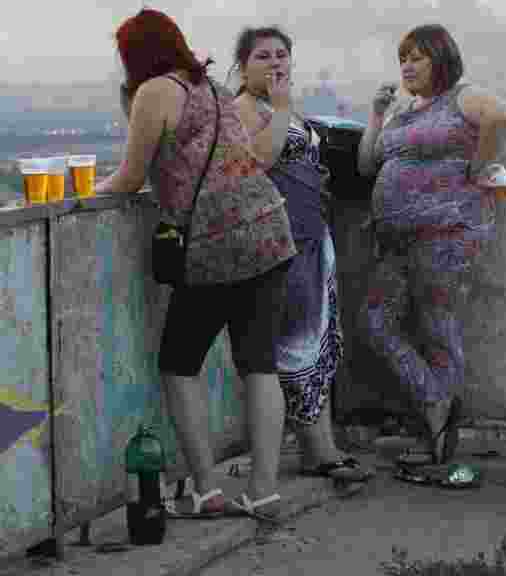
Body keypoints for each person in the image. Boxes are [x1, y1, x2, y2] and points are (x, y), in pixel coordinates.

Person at [99, 9, 297, 520]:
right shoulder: (208, 85)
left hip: (214, 243)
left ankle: (207, 487)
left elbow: (128, 177)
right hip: (268, 228)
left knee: (178, 364)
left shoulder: (153, 92)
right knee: (258, 364)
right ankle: (265, 490)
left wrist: (84, 192)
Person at [356, 24, 506, 467]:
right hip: (396, 239)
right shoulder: (405, 110)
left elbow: (499, 116)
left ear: (441, 59)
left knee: (437, 328)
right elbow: (368, 163)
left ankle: (438, 431)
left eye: (418, 57)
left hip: (446, 234)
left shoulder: (461, 97)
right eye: (403, 58)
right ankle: (437, 404)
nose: (407, 65)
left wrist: (479, 168)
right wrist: (376, 114)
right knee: (375, 323)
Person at [231, 26, 374, 485]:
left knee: (319, 346)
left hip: (313, 238)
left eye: (281, 55)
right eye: (263, 56)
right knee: (295, 348)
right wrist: (283, 108)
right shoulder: (242, 110)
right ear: (243, 66)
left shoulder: (281, 110)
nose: (275, 63)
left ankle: (322, 448)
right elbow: (259, 160)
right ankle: (320, 451)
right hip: (277, 245)